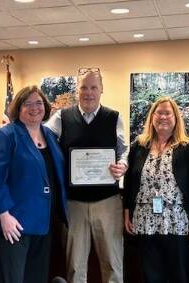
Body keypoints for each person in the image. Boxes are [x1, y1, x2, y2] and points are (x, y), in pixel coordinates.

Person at [46, 67, 128, 283]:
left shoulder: (113, 117)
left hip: (108, 202)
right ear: (77, 89)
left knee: (112, 264)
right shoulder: (61, 118)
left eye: (93, 87)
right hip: (73, 205)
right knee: (75, 266)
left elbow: (124, 149)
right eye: (84, 87)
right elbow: (42, 137)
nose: (88, 92)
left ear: (102, 89)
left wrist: (122, 165)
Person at [0, 85, 68, 283]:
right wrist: (3, 214)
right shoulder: (6, 135)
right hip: (14, 225)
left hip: (44, 223)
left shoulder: (50, 137)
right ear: (18, 108)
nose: (34, 108)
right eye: (27, 104)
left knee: (36, 277)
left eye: (38, 103)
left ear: (45, 107)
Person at [123, 96, 189, 283]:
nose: (163, 117)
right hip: (144, 220)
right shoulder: (139, 146)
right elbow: (130, 181)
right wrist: (127, 212)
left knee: (178, 276)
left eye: (168, 113)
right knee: (151, 276)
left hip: (176, 221)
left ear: (176, 118)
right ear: (152, 117)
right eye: (159, 113)